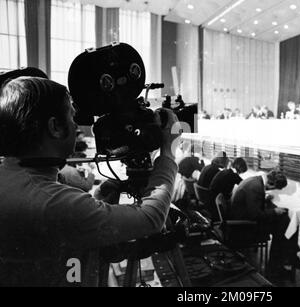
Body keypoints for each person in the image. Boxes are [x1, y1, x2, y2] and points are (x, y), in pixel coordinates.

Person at [0, 77, 181, 286]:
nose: (76, 125)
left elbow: (58, 246)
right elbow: (152, 218)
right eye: (71, 116)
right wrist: (168, 151)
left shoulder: (13, 180)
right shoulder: (53, 202)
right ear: (55, 127)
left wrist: (94, 203)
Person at [230, 170, 298, 276]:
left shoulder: (255, 181)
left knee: (284, 220)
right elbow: (255, 215)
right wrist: (274, 211)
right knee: (283, 224)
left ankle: (287, 255)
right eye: (274, 188)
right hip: (244, 227)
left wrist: (264, 199)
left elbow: (251, 204)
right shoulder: (255, 187)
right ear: (271, 184)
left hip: (242, 219)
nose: (272, 190)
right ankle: (278, 264)